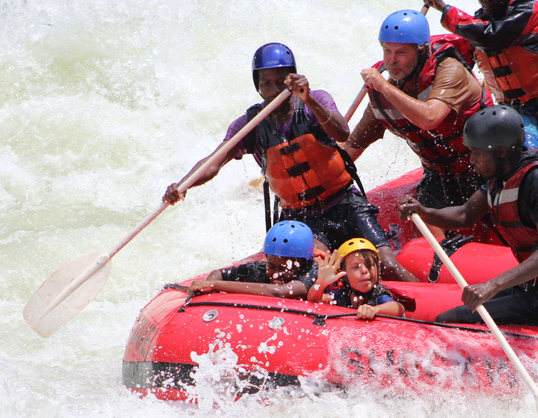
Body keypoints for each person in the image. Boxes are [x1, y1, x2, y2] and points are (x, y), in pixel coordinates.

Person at [164, 42, 417, 282]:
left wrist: (309, 99)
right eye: (266, 84)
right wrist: (184, 184)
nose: (274, 90)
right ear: (258, 86)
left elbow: (342, 133)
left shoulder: (314, 102)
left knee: (387, 265)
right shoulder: (249, 125)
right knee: (314, 275)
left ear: (292, 80)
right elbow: (213, 162)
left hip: (345, 203)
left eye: (280, 82)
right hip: (301, 218)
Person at [399, 105, 538, 326]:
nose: (471, 160)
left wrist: (492, 285)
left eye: (477, 153)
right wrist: (423, 212)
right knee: (465, 309)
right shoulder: (502, 175)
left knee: (449, 319)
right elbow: (464, 215)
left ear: (500, 152)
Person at [344, 9, 491, 212]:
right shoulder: (381, 96)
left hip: (487, 168)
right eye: (387, 51)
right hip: (439, 178)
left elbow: (430, 118)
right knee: (422, 214)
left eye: (401, 52)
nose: (392, 60)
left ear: (421, 51)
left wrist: (385, 87)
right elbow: (350, 150)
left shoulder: (450, 71)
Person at [424, 0, 538, 159]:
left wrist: (444, 9)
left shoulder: (528, 11)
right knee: (530, 165)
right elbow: (457, 54)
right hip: (516, 115)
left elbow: (489, 36)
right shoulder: (476, 24)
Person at [188, 220, 319, 299]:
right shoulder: (259, 269)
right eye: (272, 266)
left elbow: (281, 292)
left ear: (303, 264)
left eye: (284, 268)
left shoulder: (311, 273)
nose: (276, 273)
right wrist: (208, 288)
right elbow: (219, 274)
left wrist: (214, 285)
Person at [308, 238, 405, 320]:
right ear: (343, 274)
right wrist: (321, 283)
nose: (364, 270)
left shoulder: (378, 294)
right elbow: (314, 300)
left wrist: (375, 309)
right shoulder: (342, 295)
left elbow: (398, 307)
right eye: (356, 267)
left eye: (369, 265)